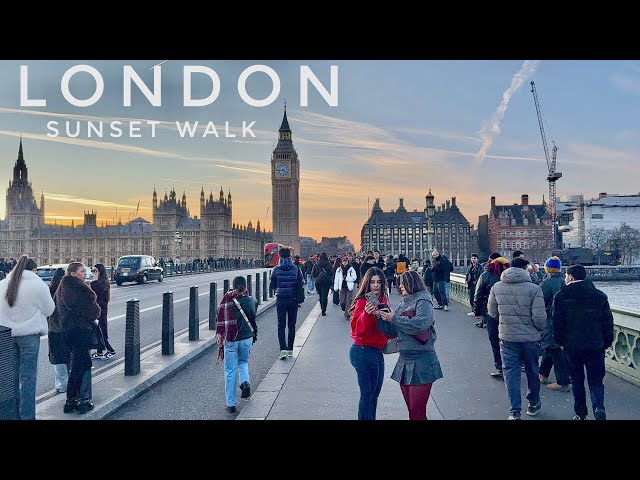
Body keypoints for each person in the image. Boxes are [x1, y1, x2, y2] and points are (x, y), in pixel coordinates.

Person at [377, 271, 443, 420]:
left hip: (422, 360)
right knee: (413, 412)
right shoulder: (404, 302)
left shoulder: (423, 300)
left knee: (417, 411)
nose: (399, 287)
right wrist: (380, 317)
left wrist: (394, 318)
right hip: (405, 360)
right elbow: (393, 330)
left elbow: (421, 324)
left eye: (402, 283)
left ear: (410, 283)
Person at [552, 264, 614, 420]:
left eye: (566, 276)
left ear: (571, 277)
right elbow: (607, 322)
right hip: (595, 344)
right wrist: (606, 342)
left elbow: (557, 322)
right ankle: (598, 407)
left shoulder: (561, 296)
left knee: (577, 380)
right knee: (596, 380)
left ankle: (580, 413)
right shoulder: (599, 296)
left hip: (572, 345)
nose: (565, 279)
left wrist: (560, 341)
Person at [488, 257, 546, 420]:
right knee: (532, 370)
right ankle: (533, 403)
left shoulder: (497, 287)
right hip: (530, 338)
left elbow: (492, 312)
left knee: (511, 374)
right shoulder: (534, 289)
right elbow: (539, 318)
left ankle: (515, 412)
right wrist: (539, 330)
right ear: (525, 269)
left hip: (507, 337)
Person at [0, 255, 55, 419]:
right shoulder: (38, 285)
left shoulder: (3, 284)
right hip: (29, 337)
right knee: (28, 379)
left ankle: (11, 415)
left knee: (10, 379)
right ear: (33, 270)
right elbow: (49, 310)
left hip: (7, 337)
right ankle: (27, 416)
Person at [56, 262, 102, 415]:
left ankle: (73, 401)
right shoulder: (76, 287)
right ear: (74, 273)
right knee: (82, 365)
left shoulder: (64, 286)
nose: (85, 273)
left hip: (69, 330)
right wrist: (95, 310)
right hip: (80, 330)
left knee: (77, 364)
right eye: (82, 271)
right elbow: (89, 309)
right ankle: (80, 401)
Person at [348, 267, 389, 420]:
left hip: (377, 351)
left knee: (374, 395)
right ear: (367, 284)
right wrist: (366, 314)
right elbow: (357, 331)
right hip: (363, 351)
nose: (376, 286)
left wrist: (386, 316)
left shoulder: (383, 300)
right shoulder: (362, 302)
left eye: (379, 282)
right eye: (372, 282)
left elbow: (388, 330)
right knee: (367, 395)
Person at [215, 276, 258, 414]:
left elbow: (218, 318)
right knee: (243, 362)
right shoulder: (251, 300)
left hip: (231, 340)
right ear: (245, 287)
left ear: (233, 287)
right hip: (246, 338)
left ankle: (231, 404)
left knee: (230, 371)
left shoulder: (225, 302)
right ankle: (245, 382)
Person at [538, 256, 571, 392]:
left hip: (551, 321)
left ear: (547, 269)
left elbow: (540, 303)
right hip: (566, 321)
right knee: (549, 348)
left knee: (554, 349)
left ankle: (563, 382)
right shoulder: (564, 283)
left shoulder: (546, 284)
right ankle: (543, 374)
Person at [474, 254, 509, 377]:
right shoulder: (508, 276)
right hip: (508, 312)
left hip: (491, 313)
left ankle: (500, 367)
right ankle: (512, 365)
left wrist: (477, 311)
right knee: (509, 340)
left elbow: (478, 294)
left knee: (495, 340)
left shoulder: (485, 276)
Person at [269, 247, 304, 360]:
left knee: (281, 325)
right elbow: (301, 282)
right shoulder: (296, 269)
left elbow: (272, 286)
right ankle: (290, 350)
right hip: (293, 299)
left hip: (281, 299)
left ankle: (283, 350)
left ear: (279, 256)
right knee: (291, 325)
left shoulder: (276, 269)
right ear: (290, 256)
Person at [48, 268, 69, 394]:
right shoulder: (67, 291)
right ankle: (69, 383)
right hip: (67, 328)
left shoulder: (49, 291)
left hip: (54, 329)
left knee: (58, 359)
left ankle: (61, 385)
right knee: (68, 357)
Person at [90, 263, 116, 359]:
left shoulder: (96, 284)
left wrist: (93, 282)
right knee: (99, 330)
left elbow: (94, 296)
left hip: (99, 310)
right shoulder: (105, 282)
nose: (93, 273)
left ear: (99, 272)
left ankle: (111, 350)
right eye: (92, 271)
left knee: (100, 331)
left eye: (95, 271)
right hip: (102, 309)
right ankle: (100, 351)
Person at [334, 255, 357, 320]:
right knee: (342, 301)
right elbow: (336, 279)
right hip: (342, 287)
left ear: (347, 261)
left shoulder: (351, 268)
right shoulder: (339, 269)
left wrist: (347, 278)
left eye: (346, 261)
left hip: (349, 287)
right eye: (343, 261)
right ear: (342, 261)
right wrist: (336, 287)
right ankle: (345, 309)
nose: (345, 262)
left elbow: (354, 277)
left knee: (348, 300)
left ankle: (347, 314)